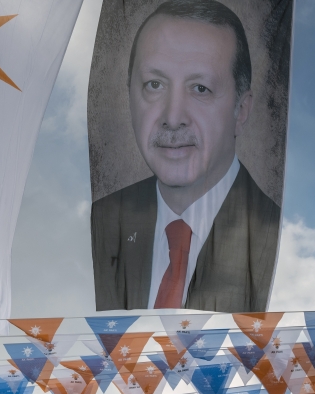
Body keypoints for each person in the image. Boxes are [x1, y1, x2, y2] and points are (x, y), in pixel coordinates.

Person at [90, 0, 280, 313]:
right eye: (154, 84)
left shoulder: (278, 235)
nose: (173, 116)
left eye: (200, 88)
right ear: (129, 96)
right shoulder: (102, 220)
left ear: (241, 111)